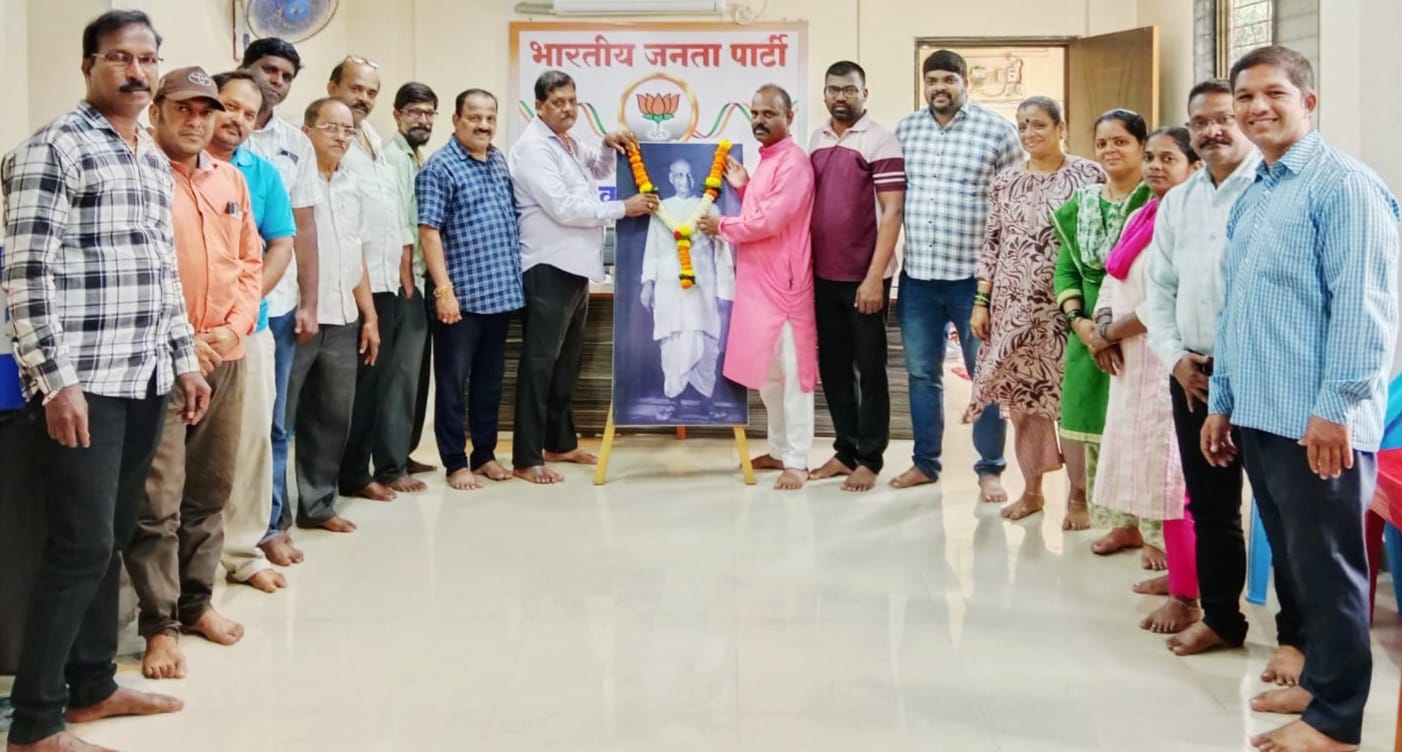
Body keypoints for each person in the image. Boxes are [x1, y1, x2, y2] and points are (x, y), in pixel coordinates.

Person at [1, 10, 210, 749]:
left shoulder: (149, 156)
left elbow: (161, 271)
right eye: (120, 57)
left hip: (145, 376)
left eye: (148, 59)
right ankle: (34, 722)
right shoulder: (52, 150)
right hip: (84, 384)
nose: (137, 71)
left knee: (112, 538)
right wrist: (54, 382)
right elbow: (24, 276)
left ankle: (92, 685)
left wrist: (183, 359)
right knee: (79, 545)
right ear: (89, 66)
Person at [1206, 45, 1398, 752]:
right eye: (1245, 97)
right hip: (1262, 413)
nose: (1258, 107)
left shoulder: (1343, 186)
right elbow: (1237, 308)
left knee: (1329, 566)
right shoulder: (1259, 190)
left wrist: (1336, 407)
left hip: (1319, 422)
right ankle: (1318, 680)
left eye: (1274, 94)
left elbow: (1365, 309)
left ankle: (1336, 721)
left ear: (1308, 103)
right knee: (1297, 562)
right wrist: (1222, 400)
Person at [126, 66, 264, 680]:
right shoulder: (141, 174)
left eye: (206, 111)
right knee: (159, 500)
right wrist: (188, 344)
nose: (197, 121)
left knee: (209, 491)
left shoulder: (231, 178)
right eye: (183, 108)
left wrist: (231, 332)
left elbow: (250, 262)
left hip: (225, 356)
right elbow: (140, 273)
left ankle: (197, 603)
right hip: (163, 361)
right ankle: (159, 626)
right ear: (156, 111)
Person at [1144, 79, 1269, 660]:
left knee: (1280, 509)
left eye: (1224, 118)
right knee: (1211, 503)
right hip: (1194, 375)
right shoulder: (1180, 201)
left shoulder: (1269, 188)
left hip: (1264, 374)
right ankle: (1221, 617)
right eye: (1200, 122)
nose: (1213, 130)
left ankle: (1296, 639)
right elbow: (1160, 290)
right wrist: (1175, 359)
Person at [507, 70, 656, 484]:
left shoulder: (568, 142)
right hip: (547, 267)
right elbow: (564, 208)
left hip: (577, 268)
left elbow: (600, 168)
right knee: (539, 364)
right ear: (539, 106)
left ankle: (559, 443)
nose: (567, 109)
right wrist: (624, 208)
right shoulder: (534, 149)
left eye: (572, 101)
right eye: (558, 102)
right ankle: (526, 457)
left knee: (565, 363)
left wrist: (608, 144)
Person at [966, 96, 1104, 525]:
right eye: (1023, 125)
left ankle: (1079, 496)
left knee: (1072, 402)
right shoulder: (1005, 181)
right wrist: (982, 301)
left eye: (1039, 124)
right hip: (1014, 309)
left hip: (1068, 310)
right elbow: (992, 242)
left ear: (1061, 128)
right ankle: (1032, 491)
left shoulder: (1088, 176)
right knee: (1025, 403)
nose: (1029, 133)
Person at [893, 50, 1022, 499]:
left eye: (948, 79)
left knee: (984, 374)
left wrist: (1001, 279)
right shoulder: (906, 130)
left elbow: (1013, 204)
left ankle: (990, 469)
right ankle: (924, 463)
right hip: (919, 278)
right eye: (932, 80)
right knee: (921, 374)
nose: (939, 88)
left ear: (965, 81)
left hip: (973, 281)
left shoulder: (997, 131)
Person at [1092, 126, 1201, 634]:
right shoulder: (1144, 214)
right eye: (1152, 157)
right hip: (1130, 362)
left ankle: (1188, 595)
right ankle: (1180, 573)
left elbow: (1164, 302)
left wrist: (1110, 332)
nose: (1155, 166)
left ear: (1195, 168)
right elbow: (1113, 278)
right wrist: (1102, 330)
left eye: (1168, 158)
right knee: (1154, 473)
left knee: (1175, 479)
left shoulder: (1190, 221)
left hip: (1165, 365)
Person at [697, 85, 817, 491]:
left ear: (789, 117)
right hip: (757, 284)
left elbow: (772, 220)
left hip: (786, 285)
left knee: (794, 375)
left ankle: (797, 461)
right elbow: (763, 207)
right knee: (769, 379)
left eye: (769, 113)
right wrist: (745, 187)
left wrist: (722, 225)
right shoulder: (768, 161)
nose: (760, 120)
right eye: (755, 113)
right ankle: (779, 450)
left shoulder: (794, 163)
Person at [207, 69, 297, 594]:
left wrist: (243, 308)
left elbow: (280, 242)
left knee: (251, 442)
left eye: (249, 112)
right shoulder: (165, 166)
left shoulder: (261, 174)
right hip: (184, 334)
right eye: (228, 106)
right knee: (181, 454)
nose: (237, 119)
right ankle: (184, 568)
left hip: (249, 330)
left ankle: (242, 552)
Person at [279, 98, 381, 534]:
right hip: (298, 316)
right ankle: (273, 518)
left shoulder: (351, 185)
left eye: (348, 129)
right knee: (281, 419)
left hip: (343, 316)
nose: (341, 136)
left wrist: (369, 316)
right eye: (331, 127)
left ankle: (318, 505)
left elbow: (356, 253)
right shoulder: (290, 182)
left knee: (333, 416)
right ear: (306, 132)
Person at [240, 36, 322, 567]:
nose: (277, 81)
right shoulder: (220, 133)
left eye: (287, 75)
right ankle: (228, 534)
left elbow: (304, 228)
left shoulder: (296, 144)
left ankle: (271, 525)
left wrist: (310, 301)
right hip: (220, 310)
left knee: (276, 424)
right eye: (268, 69)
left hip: (281, 302)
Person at [1052, 109, 1151, 542]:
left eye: (1121, 141)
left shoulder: (1156, 199)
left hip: (1141, 328)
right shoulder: (1082, 204)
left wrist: (1112, 332)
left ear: (1142, 146)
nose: (1110, 150)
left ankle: (1151, 528)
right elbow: (1065, 272)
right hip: (1088, 329)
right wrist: (1081, 324)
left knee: (1140, 427)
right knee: (1092, 427)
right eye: (1102, 143)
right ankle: (1116, 523)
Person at [417, 89, 524, 490]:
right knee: (452, 383)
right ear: (456, 120)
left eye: (490, 118)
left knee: (489, 384)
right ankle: (454, 462)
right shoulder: (440, 168)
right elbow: (429, 232)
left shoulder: (497, 160)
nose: (483, 125)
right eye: (475, 117)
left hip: (499, 295)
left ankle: (484, 455)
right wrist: (444, 292)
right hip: (460, 300)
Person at [806, 60, 905, 492]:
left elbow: (893, 211)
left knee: (870, 369)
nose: (840, 96)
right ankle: (845, 451)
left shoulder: (881, 139)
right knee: (833, 368)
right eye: (833, 89)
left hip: (864, 278)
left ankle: (870, 457)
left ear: (865, 94)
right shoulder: (816, 138)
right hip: (822, 276)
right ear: (824, 94)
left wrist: (874, 277)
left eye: (849, 89)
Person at [329, 56, 420, 501]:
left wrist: (403, 268)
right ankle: (345, 475)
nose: (363, 98)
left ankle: (360, 470)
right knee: (350, 389)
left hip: (386, 283)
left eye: (371, 92)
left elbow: (393, 210)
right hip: (351, 283)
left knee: (374, 383)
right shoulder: (327, 141)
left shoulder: (371, 138)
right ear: (333, 86)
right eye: (356, 88)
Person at [640, 157, 735, 422]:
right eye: (679, 175)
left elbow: (723, 249)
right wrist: (647, 284)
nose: (685, 180)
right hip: (669, 286)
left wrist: (717, 236)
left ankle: (707, 402)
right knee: (672, 344)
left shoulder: (709, 208)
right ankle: (673, 401)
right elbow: (652, 250)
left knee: (707, 343)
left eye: (689, 175)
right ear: (671, 178)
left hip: (703, 286)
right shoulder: (661, 209)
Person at [384, 81, 440, 477]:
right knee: (401, 377)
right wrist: (407, 282)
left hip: (421, 280)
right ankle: (390, 465)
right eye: (414, 112)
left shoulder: (415, 156)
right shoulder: (393, 158)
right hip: (407, 284)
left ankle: (404, 453)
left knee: (418, 375)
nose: (422, 119)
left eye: (428, 113)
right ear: (397, 114)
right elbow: (400, 224)